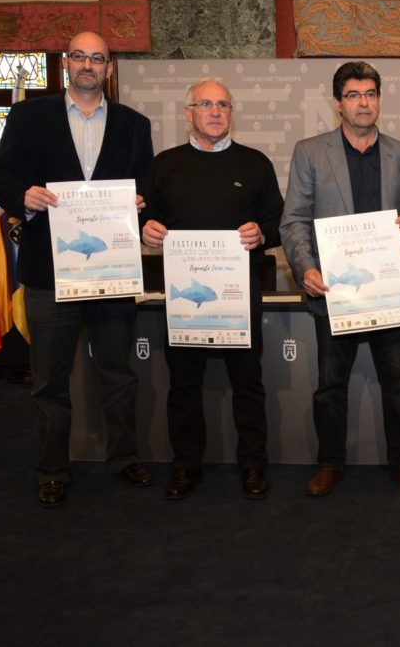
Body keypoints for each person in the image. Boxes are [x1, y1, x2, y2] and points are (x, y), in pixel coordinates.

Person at [0, 31, 154, 508]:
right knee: (49, 381)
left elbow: (148, 184)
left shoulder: (134, 124)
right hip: (48, 275)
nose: (88, 65)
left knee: (118, 375)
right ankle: (52, 469)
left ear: (109, 68)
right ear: (66, 63)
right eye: (79, 56)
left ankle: (124, 457)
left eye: (97, 58)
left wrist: (143, 203)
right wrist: (23, 196)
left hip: (113, 275)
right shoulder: (29, 116)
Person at [280, 61, 400, 497]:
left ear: (379, 100)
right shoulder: (310, 152)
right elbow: (294, 220)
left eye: (370, 94)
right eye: (353, 95)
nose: (363, 103)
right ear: (337, 103)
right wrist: (305, 267)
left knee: (398, 386)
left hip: (385, 291)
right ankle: (330, 464)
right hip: (333, 291)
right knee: (330, 387)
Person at [142, 78, 283, 500]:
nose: (216, 112)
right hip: (185, 299)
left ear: (231, 113)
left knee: (248, 385)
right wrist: (146, 229)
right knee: (183, 386)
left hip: (239, 297)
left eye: (223, 104)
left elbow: (278, 221)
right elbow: (146, 217)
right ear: (189, 112)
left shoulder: (255, 163)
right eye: (205, 104)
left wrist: (262, 232)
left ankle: (253, 466)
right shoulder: (164, 164)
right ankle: (186, 466)